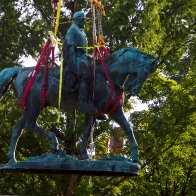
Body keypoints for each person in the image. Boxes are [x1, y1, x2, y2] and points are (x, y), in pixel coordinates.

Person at [62, 11, 97, 114]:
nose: (85, 21)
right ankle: (82, 103)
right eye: (83, 19)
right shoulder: (72, 30)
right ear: (76, 19)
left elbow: (83, 50)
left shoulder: (80, 30)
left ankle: (93, 100)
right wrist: (71, 64)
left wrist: (89, 57)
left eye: (85, 19)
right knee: (86, 74)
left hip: (82, 57)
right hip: (75, 58)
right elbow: (68, 48)